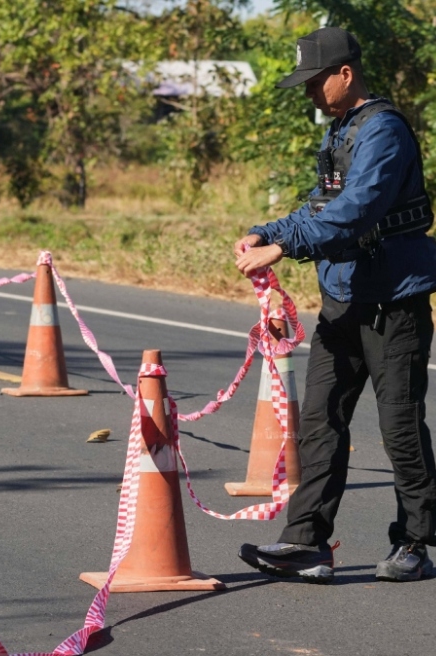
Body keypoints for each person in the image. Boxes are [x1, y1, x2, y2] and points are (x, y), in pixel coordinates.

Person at [233, 28, 436, 583]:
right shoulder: (342, 129)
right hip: (343, 300)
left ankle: (415, 542)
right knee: (320, 420)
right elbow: (320, 204)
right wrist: (265, 232)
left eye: (315, 82)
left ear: (345, 74)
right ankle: (307, 544)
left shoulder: (384, 131)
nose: (310, 94)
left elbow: (356, 210)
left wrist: (284, 246)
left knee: (398, 427)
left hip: (393, 306)